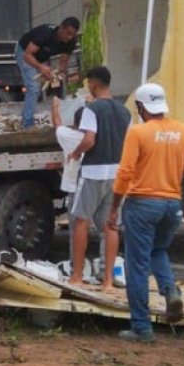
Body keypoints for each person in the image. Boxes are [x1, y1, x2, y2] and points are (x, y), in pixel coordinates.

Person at [106, 83, 184, 343]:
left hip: (141, 205)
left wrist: (114, 207)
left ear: (140, 107)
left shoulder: (138, 133)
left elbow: (125, 173)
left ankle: (141, 327)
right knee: (157, 250)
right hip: (172, 206)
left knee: (136, 266)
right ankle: (170, 290)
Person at [67, 66, 131, 289]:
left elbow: (89, 140)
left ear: (93, 84)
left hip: (93, 172)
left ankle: (76, 276)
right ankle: (108, 281)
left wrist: (75, 153)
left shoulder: (92, 109)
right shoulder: (125, 111)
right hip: (117, 173)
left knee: (81, 222)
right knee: (110, 226)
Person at [15, 17, 80, 128]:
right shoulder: (44, 33)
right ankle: (27, 125)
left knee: (52, 84)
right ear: (61, 28)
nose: (69, 38)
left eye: (72, 35)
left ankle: (29, 115)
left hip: (42, 56)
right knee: (33, 88)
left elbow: (64, 61)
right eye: (68, 33)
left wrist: (59, 73)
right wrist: (40, 67)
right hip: (25, 53)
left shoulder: (71, 41)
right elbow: (27, 55)